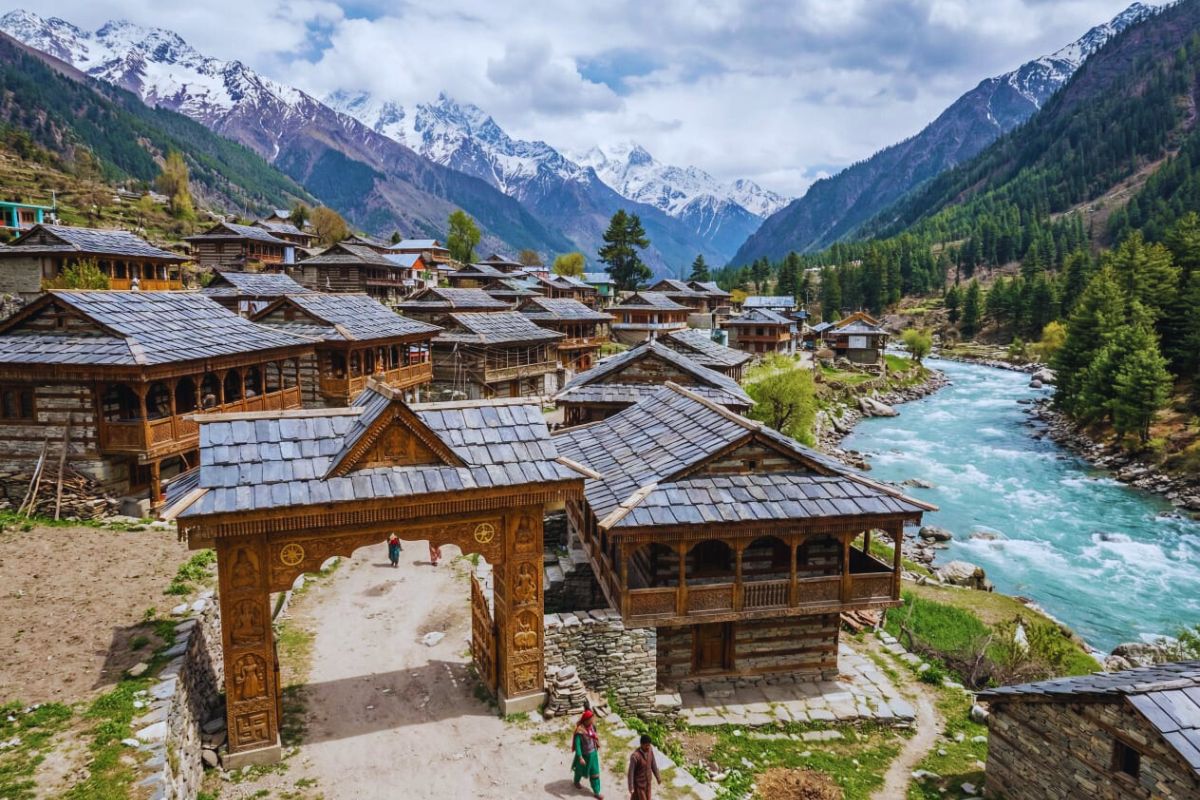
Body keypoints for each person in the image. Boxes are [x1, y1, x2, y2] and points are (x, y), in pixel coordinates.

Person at [572, 709, 603, 799]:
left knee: (595, 773)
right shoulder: (579, 731)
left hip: (593, 755)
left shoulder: (592, 726)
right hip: (584, 756)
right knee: (579, 771)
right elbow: (577, 745)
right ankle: (576, 781)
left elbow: (594, 736)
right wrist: (580, 757)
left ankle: (596, 792)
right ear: (586, 720)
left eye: (592, 718)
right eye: (591, 719)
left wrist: (597, 742)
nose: (593, 720)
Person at [626, 735, 660, 800]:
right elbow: (631, 773)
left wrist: (658, 777)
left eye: (649, 745)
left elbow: (653, 764)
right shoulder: (635, 757)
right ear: (641, 744)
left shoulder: (650, 751)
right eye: (646, 745)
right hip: (639, 785)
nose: (648, 747)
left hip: (648, 784)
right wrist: (631, 787)